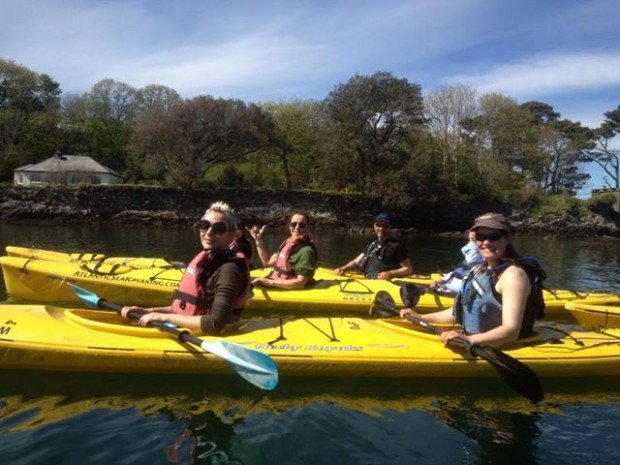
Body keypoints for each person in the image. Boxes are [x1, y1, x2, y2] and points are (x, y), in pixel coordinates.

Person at [400, 213, 546, 348]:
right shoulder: (479, 270)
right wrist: (420, 317)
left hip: (504, 346)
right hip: (475, 340)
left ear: (506, 238)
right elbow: (458, 313)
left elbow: (511, 331)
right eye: (481, 236)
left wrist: (469, 340)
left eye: (494, 236)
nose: (486, 242)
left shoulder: (513, 276)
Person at [120, 201, 250, 333]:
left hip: (217, 335)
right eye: (204, 225)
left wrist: (167, 318)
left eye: (219, 229)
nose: (209, 232)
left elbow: (215, 323)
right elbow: (184, 309)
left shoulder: (229, 270)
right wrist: (149, 311)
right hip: (191, 329)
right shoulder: (209, 260)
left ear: (232, 235)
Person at [250, 210, 317, 289]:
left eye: (302, 225)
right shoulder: (287, 243)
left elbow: (300, 283)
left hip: (285, 288)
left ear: (307, 227)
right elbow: (267, 263)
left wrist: (270, 282)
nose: (297, 227)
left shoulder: (307, 251)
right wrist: (258, 240)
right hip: (274, 280)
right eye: (293, 224)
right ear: (289, 226)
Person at [333, 212, 412, 279]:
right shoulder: (372, 245)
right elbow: (356, 262)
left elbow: (408, 269)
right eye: (379, 225)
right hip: (369, 279)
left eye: (385, 226)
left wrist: (391, 273)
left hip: (385, 282)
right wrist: (344, 268)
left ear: (389, 227)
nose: (381, 229)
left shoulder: (396, 246)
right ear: (374, 226)